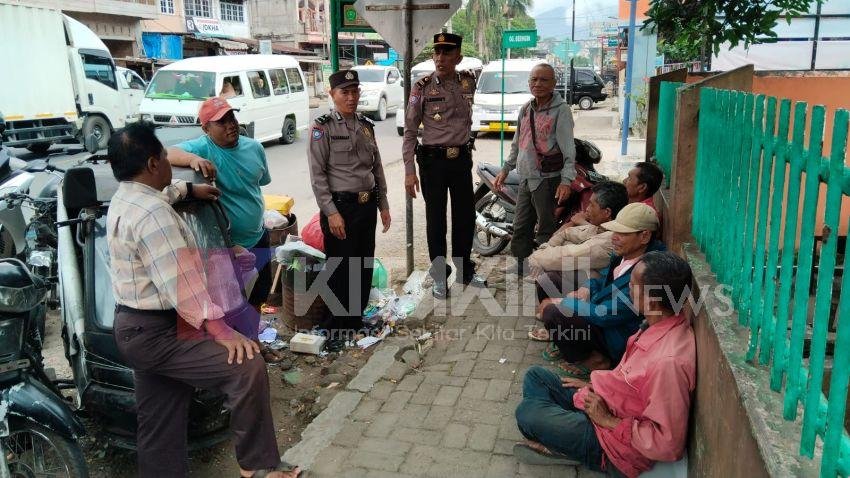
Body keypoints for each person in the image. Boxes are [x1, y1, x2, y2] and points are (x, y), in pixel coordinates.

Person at [106, 122, 303, 478]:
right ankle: (258, 467)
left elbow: (166, 194)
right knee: (247, 367)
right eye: (164, 157)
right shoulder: (153, 216)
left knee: (159, 419)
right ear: (152, 164)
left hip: (134, 327)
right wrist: (223, 331)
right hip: (160, 332)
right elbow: (183, 286)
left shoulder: (128, 197)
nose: (168, 162)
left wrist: (190, 190)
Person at [514, 251, 696, 478]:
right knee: (536, 377)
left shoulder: (668, 363)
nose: (628, 290)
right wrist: (593, 385)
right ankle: (563, 433)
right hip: (603, 406)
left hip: (614, 446)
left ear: (651, 299)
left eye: (633, 285)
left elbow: (667, 444)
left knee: (527, 412)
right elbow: (627, 383)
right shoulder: (655, 325)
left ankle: (572, 445)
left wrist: (608, 420)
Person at [166, 97, 281, 362]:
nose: (230, 125)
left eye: (232, 118)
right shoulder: (203, 147)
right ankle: (234, 353)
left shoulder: (254, 148)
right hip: (227, 246)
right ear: (206, 128)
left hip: (258, 235)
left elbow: (258, 185)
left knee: (258, 296)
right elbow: (167, 154)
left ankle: (253, 342)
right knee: (231, 303)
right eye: (222, 122)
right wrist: (193, 158)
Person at [530, 203, 664, 376]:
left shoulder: (649, 272)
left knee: (553, 311)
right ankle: (562, 338)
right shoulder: (624, 255)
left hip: (614, 333)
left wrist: (564, 302)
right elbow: (601, 279)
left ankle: (596, 360)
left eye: (622, 233)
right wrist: (585, 288)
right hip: (600, 306)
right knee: (548, 280)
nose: (614, 237)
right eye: (614, 232)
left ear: (644, 236)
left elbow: (607, 314)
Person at [308, 69, 391, 347]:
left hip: (365, 208)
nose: (351, 97)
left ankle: (354, 322)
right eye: (345, 92)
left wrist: (384, 205)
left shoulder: (366, 126)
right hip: (340, 209)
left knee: (362, 266)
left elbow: (376, 168)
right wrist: (331, 212)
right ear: (332, 95)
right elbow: (318, 176)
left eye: (355, 91)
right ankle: (335, 329)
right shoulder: (322, 128)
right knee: (340, 269)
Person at [403, 32, 486, 299]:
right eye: (437, 53)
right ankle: (440, 276)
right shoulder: (422, 87)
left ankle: (464, 271)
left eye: (447, 53)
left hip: (461, 160)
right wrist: (408, 170)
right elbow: (410, 130)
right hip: (433, 163)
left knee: (465, 217)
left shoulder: (468, 82)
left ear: (458, 57)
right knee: (435, 221)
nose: (441, 58)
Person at [494, 63, 576, 275]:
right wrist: (505, 169)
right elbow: (517, 142)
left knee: (546, 227)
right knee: (521, 224)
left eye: (543, 80)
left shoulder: (561, 111)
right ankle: (521, 265)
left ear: (554, 84)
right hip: (525, 177)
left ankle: (544, 268)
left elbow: (569, 148)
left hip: (548, 179)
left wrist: (566, 180)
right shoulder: (526, 108)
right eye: (534, 80)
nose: (538, 84)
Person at [528, 181, 628, 289]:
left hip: (597, 293)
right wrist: (548, 249)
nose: (587, 209)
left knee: (551, 274)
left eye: (591, 205)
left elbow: (561, 257)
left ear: (607, 212)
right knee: (565, 246)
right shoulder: (602, 229)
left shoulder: (607, 241)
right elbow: (567, 233)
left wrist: (537, 256)